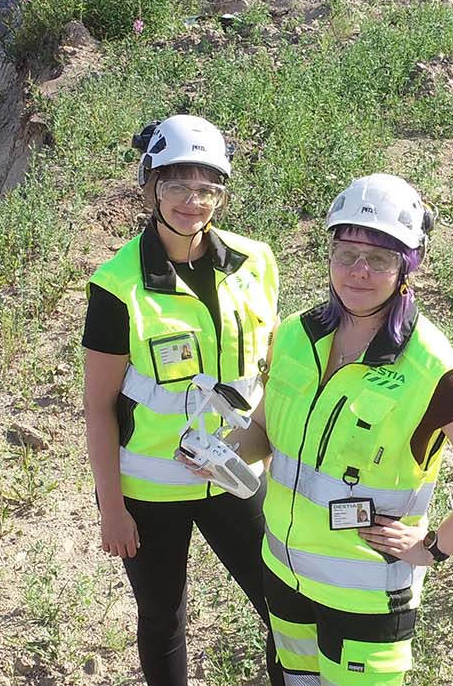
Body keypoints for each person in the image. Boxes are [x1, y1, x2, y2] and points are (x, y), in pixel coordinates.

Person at [213, 174, 453, 686]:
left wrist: (434, 547)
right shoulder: (294, 335)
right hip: (284, 572)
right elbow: (265, 431)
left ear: (407, 266)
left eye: (379, 258)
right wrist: (221, 453)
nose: (358, 271)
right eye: (346, 251)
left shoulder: (430, 367)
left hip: (365, 597)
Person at [82, 114, 284, 686]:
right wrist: (112, 507)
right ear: (149, 185)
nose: (192, 201)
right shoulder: (116, 285)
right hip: (149, 489)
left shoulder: (257, 263)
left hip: (236, 473)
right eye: (175, 185)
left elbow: (267, 372)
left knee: (284, 609)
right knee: (163, 617)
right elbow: (98, 407)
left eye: (207, 188)